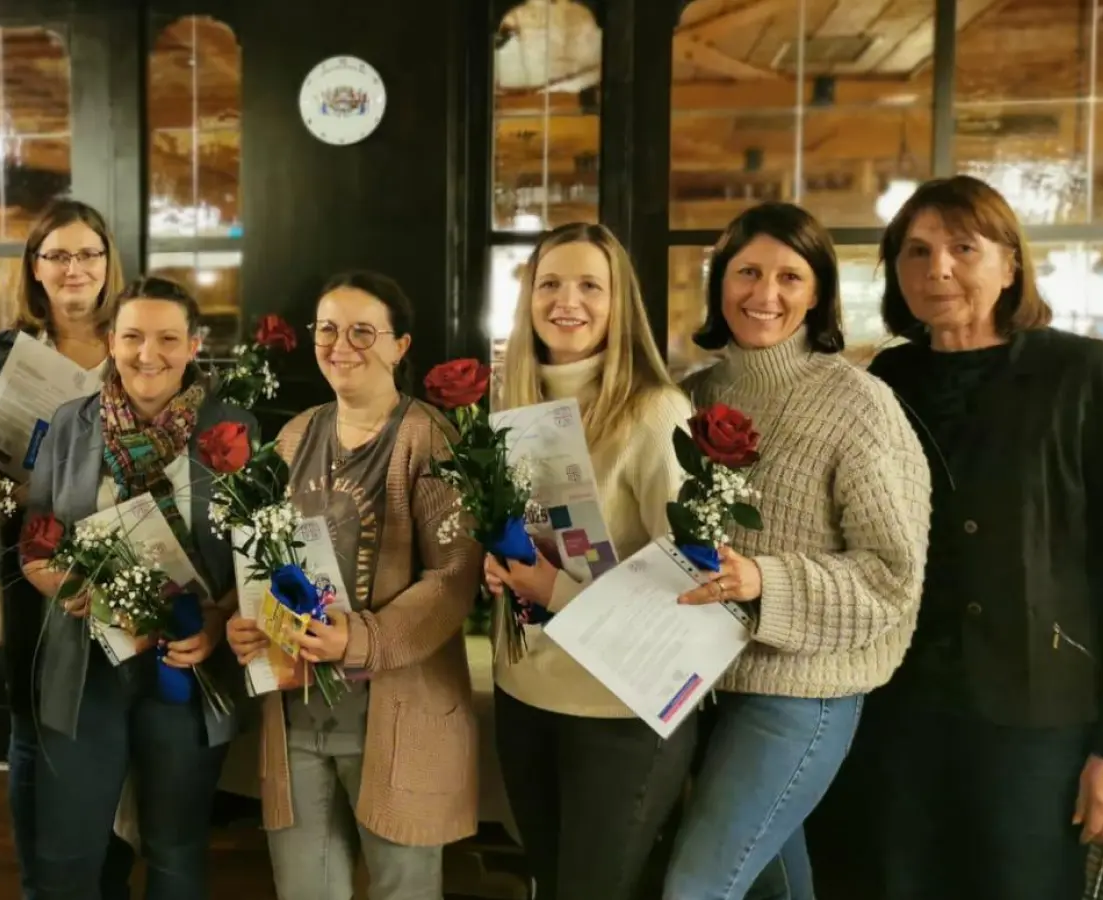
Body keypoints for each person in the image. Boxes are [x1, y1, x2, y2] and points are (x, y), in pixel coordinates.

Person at [864, 175, 1103, 900]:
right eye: (917, 251)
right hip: (901, 716)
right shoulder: (886, 379)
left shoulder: (1093, 376)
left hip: (1040, 724)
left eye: (965, 247)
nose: (940, 269)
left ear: (1010, 263)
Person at [661, 202, 932, 900]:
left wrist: (762, 579)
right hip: (702, 684)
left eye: (790, 275)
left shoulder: (858, 403)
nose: (765, 294)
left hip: (801, 695)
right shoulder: (691, 396)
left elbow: (891, 577)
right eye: (747, 271)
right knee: (777, 888)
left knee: (695, 888)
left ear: (818, 293)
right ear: (720, 284)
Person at [225, 271, 484, 900]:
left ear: (400, 345)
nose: (342, 344)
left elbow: (454, 577)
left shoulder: (431, 439)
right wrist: (241, 618)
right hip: (297, 713)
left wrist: (359, 639)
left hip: (400, 714)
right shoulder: (294, 435)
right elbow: (267, 556)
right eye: (328, 329)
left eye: (363, 331)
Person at [20, 275, 252, 900]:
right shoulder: (71, 423)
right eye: (132, 337)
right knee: (67, 851)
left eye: (168, 338)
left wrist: (215, 623)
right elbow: (34, 543)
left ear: (194, 345)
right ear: (110, 342)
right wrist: (64, 587)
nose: (149, 354)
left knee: (176, 851)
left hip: (186, 665)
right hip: (86, 662)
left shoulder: (232, 429)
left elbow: (258, 555)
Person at [484, 222, 695, 900]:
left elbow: (695, 585)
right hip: (525, 693)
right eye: (549, 283)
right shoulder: (513, 405)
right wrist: (500, 567)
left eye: (589, 286)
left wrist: (555, 591)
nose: (565, 301)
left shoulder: (655, 413)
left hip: (620, 712)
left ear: (618, 303)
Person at [0, 198, 136, 899]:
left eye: (87, 253)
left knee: (113, 724)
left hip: (125, 564)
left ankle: (110, 878)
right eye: (57, 255)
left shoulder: (134, 345)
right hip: (27, 565)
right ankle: (46, 883)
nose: (74, 268)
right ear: (35, 268)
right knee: (37, 724)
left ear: (107, 262)